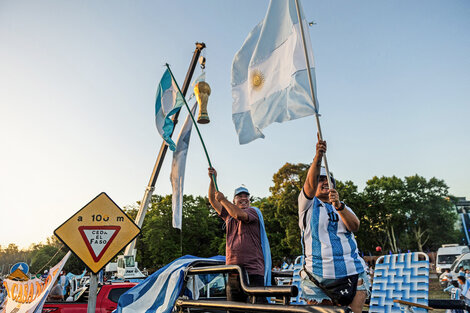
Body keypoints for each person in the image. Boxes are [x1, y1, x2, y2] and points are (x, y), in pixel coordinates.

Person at [298, 135, 369, 313]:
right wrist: (318, 156)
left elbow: (355, 226)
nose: (323, 182)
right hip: (318, 276)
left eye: (327, 179)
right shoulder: (307, 204)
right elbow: (309, 182)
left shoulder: (343, 206)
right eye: (320, 179)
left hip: (352, 271)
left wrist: (339, 206)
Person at [208, 167, 270, 303]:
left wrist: (223, 199)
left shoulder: (253, 212)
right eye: (239, 196)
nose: (243, 198)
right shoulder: (228, 217)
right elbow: (213, 200)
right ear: (234, 200)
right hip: (233, 271)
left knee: (258, 309)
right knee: (235, 307)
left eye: (246, 196)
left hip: (253, 271)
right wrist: (213, 179)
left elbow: (239, 214)